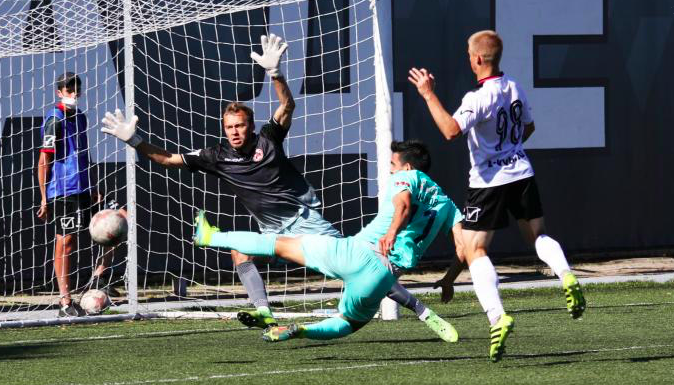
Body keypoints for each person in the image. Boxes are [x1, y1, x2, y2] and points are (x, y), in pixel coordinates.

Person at [101, 35, 459, 342]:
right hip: (271, 227)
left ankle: (421, 309)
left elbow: (287, 105)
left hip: (303, 220)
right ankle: (265, 312)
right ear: (223, 129)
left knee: (358, 268)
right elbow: (167, 160)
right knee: (241, 253)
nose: (235, 132)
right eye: (229, 127)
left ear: (251, 125)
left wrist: (275, 74)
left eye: (240, 125)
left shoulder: (268, 139)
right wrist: (135, 140)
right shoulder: (215, 155)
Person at [408, 30, 586, 361]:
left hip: (488, 182)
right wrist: (508, 148)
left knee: (475, 250)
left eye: (468, 54)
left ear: (477, 59)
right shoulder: (515, 87)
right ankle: (566, 274)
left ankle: (496, 316)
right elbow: (528, 128)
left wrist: (428, 94)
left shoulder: (477, 98)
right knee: (538, 236)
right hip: (522, 173)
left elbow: (449, 131)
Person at [191, 139, 465, 343]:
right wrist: (449, 279)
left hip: (353, 253)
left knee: (279, 243)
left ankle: (213, 236)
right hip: (382, 277)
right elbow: (463, 249)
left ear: (405, 166)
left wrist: (392, 231)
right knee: (349, 323)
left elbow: (403, 205)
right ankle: (303, 330)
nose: (391, 171)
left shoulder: (407, 176)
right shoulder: (449, 205)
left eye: (392, 165)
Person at [36, 72, 120, 317]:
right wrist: (44, 197)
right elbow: (44, 159)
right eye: (68, 90)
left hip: (85, 188)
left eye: (76, 91)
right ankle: (65, 303)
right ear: (59, 92)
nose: (73, 94)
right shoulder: (55, 119)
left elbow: (83, 154)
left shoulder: (80, 117)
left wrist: (93, 185)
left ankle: (98, 278)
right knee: (66, 243)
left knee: (119, 219)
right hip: (63, 190)